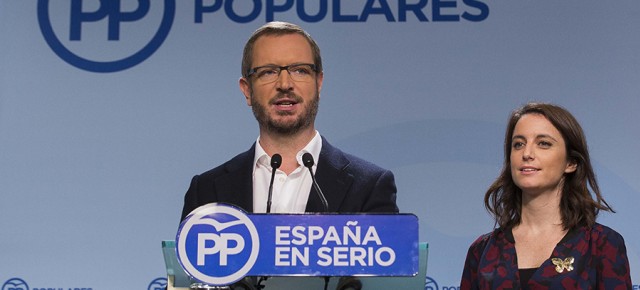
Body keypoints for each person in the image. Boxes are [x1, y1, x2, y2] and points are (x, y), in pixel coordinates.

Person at [180, 21, 398, 220]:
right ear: (247, 90)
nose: (285, 84)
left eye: (300, 70)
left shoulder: (369, 186)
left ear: (318, 83)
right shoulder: (206, 191)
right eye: (268, 72)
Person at [460, 102, 632, 289]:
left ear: (571, 162)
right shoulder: (482, 250)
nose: (526, 153)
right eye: (518, 144)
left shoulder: (601, 244)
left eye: (543, 143)